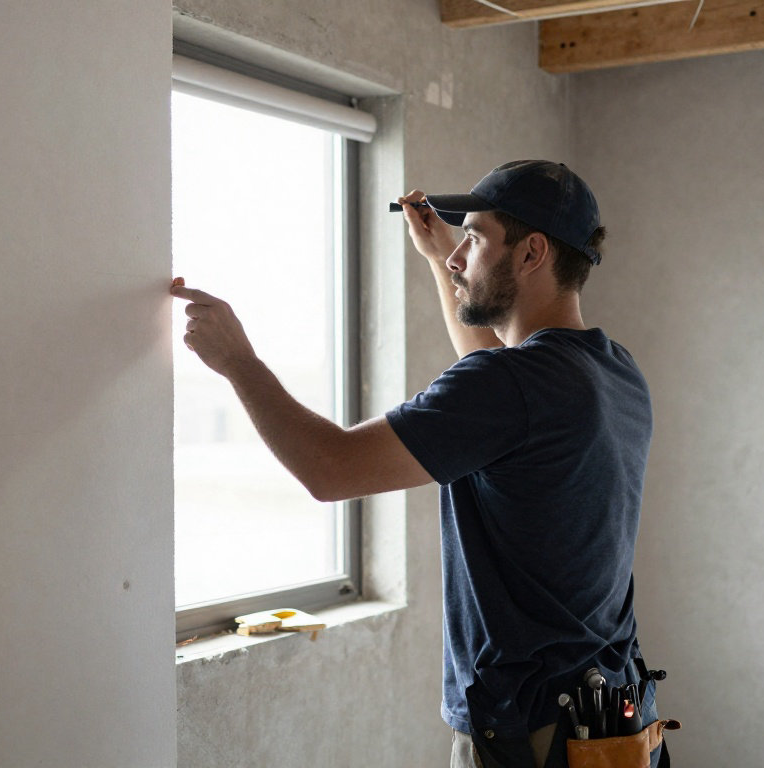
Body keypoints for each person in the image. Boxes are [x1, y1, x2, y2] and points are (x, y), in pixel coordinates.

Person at [170, 160, 658, 768]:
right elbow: (499, 390)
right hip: (608, 712)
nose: (457, 258)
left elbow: (331, 468)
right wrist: (437, 257)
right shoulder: (613, 369)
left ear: (532, 252)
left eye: (474, 239)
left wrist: (237, 361)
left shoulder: (508, 386)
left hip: (530, 732)